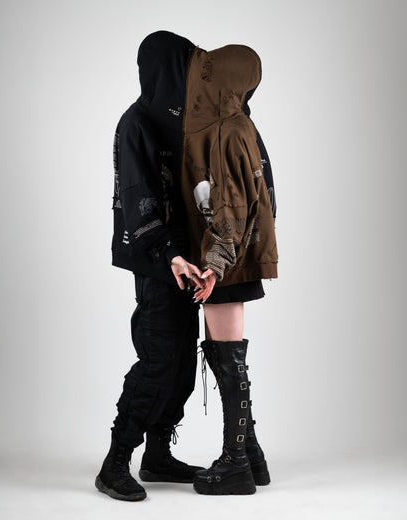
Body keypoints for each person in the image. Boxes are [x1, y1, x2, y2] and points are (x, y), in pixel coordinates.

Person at [95, 32, 206, 502]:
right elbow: (138, 194)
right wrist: (168, 252)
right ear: (166, 70)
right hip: (158, 258)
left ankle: (158, 455)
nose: (193, 76)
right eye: (186, 67)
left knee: (183, 362)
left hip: (186, 261)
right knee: (158, 359)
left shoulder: (182, 123)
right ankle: (115, 462)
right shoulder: (136, 122)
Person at [179, 44, 279, 495]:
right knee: (227, 356)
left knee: (228, 357)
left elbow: (234, 204)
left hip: (223, 259)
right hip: (228, 255)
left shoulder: (227, 131)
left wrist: (216, 264)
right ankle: (251, 456)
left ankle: (236, 463)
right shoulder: (238, 125)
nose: (199, 79)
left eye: (209, 72)